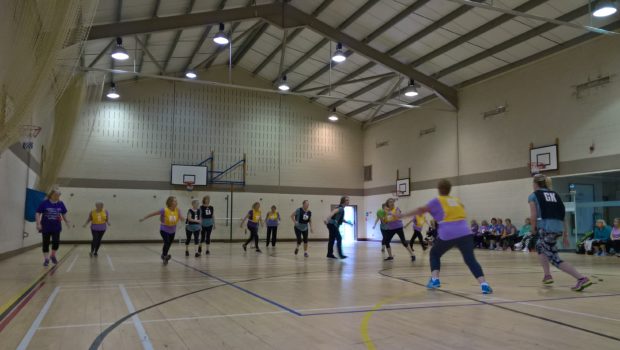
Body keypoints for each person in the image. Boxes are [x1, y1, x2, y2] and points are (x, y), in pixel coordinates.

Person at [400, 179, 492, 294]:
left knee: (434, 253)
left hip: (448, 233)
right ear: (450, 189)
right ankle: (484, 284)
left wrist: (402, 215)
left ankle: (435, 280)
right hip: (465, 232)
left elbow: (420, 210)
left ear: (439, 189)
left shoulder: (437, 201)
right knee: (470, 259)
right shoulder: (456, 200)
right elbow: (462, 209)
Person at [528, 174, 591, 291]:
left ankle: (581, 278)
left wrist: (532, 228)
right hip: (557, 228)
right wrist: (565, 234)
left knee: (554, 258)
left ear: (535, 184)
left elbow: (533, 215)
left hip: (546, 228)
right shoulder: (555, 195)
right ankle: (547, 276)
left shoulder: (534, 196)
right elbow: (563, 215)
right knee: (540, 247)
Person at [140, 196, 184, 265]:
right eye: (174, 201)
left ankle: (164, 255)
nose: (176, 202)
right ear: (170, 202)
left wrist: (183, 219)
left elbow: (181, 217)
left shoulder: (178, 210)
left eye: (176, 201)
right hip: (164, 229)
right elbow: (152, 214)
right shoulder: (164, 210)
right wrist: (144, 218)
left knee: (169, 243)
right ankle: (165, 256)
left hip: (173, 230)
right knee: (167, 242)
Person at [36, 188, 70, 267]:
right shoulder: (44, 203)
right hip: (46, 226)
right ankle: (46, 259)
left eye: (58, 195)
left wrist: (67, 221)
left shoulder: (60, 203)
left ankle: (52, 255)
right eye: (55, 195)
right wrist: (38, 224)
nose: (57, 196)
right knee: (46, 243)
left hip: (56, 227)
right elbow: (37, 213)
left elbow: (63, 213)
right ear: (51, 195)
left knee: (56, 242)